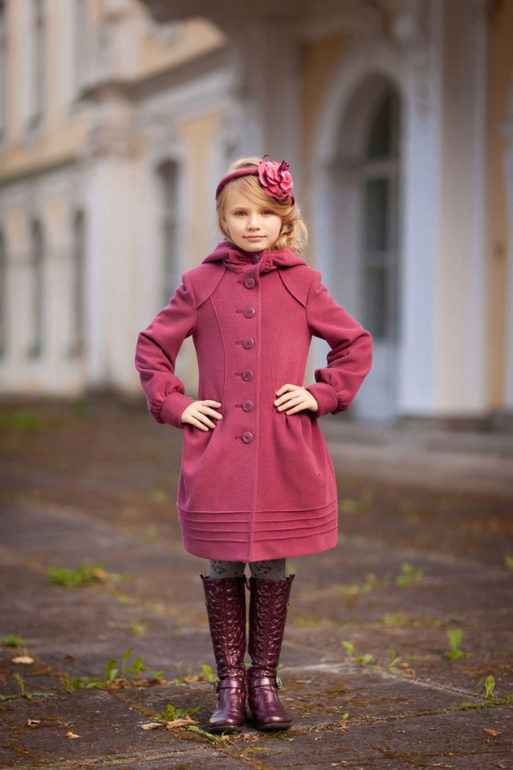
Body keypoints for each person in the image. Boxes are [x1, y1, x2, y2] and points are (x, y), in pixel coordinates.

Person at [135, 156, 372, 733]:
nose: (253, 223)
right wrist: (176, 403)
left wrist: (321, 393)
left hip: (283, 449)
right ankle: (230, 684)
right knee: (222, 560)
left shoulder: (304, 283)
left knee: (270, 560)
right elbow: (153, 347)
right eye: (241, 213)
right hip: (217, 452)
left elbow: (354, 344)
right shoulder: (200, 283)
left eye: (265, 213)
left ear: (283, 219)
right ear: (224, 220)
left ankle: (264, 681)